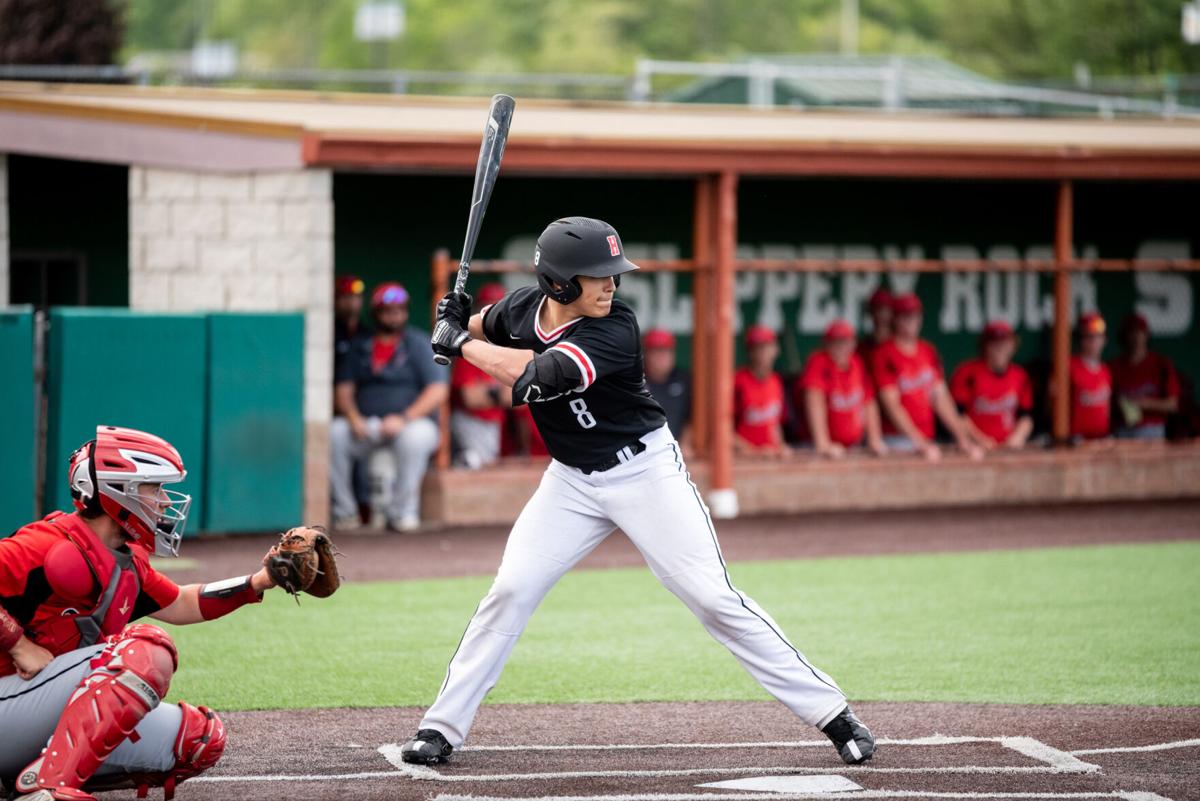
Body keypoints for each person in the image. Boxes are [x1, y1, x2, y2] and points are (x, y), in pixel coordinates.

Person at [408, 216, 875, 768]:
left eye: (614, 274)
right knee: (509, 591)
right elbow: (485, 324)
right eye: (598, 276)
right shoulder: (520, 308)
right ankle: (440, 728)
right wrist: (459, 318)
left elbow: (537, 376)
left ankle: (834, 715)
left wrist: (458, 342)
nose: (613, 284)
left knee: (712, 598)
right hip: (571, 483)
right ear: (557, 283)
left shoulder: (615, 328)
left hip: (645, 473)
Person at [0, 425, 283, 801]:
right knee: (146, 650)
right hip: (8, 700)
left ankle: (37, 777)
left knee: (198, 739)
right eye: (156, 489)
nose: (166, 502)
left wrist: (260, 581)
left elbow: (184, 602)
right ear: (121, 490)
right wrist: (17, 644)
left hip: (31, 714)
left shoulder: (126, 560)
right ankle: (48, 789)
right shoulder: (46, 544)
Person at [331, 282, 448, 531]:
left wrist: (404, 418)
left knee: (417, 437)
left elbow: (437, 390)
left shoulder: (417, 343)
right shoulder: (360, 345)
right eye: (387, 310)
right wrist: (353, 418)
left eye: (399, 309)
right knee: (335, 433)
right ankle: (345, 513)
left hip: (408, 424)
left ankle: (402, 512)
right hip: (367, 425)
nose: (394, 315)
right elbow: (343, 390)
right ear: (376, 313)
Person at [870, 293, 983, 461]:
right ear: (895, 319)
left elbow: (940, 398)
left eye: (915, 315)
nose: (911, 321)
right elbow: (892, 405)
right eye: (905, 316)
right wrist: (919, 442)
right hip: (896, 440)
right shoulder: (884, 353)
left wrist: (962, 438)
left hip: (927, 437)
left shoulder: (928, 351)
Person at [799, 320, 887, 459]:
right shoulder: (818, 362)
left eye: (845, 341)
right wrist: (823, 443)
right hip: (821, 446)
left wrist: (874, 439)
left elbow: (869, 402)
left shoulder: (856, 363)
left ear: (853, 343)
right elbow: (814, 401)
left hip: (854, 445)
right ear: (826, 344)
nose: (841, 347)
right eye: (836, 342)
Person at [450, 283, 510, 468]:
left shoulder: (509, 346)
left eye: (498, 308)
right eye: (489, 308)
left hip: (497, 423)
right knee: (476, 466)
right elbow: (470, 398)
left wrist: (492, 394)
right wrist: (501, 393)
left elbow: (517, 398)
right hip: (471, 422)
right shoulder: (469, 345)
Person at [950, 321, 1034, 450]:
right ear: (984, 346)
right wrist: (980, 440)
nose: (1000, 347)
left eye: (1004, 341)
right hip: (975, 448)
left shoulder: (1020, 375)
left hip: (1009, 447)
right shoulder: (967, 372)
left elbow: (1026, 417)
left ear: (1013, 345)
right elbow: (957, 415)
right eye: (994, 342)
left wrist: (1017, 437)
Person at [1110, 313, 1180, 440]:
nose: (1136, 337)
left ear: (1146, 334)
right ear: (1125, 336)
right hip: (1122, 429)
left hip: (1152, 430)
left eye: (1140, 332)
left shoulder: (1161, 364)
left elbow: (1173, 405)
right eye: (1132, 332)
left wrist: (1144, 403)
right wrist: (1122, 404)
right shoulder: (1113, 367)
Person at [734, 325, 788, 457]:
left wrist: (781, 446)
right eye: (757, 347)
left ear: (776, 349)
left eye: (767, 346)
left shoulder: (776, 381)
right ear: (750, 351)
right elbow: (722, 430)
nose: (763, 352)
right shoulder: (737, 381)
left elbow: (774, 423)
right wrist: (754, 451)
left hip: (770, 457)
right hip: (743, 458)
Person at [641, 328, 692, 447]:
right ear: (646, 354)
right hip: (645, 453)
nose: (661, 357)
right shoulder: (636, 382)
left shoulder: (683, 380)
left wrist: (686, 443)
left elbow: (693, 418)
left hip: (678, 451)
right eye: (656, 351)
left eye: (666, 351)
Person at [1068, 312, 1113, 441]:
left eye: (1098, 336)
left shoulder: (1105, 370)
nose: (1094, 341)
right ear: (1080, 339)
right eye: (1089, 336)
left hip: (1101, 439)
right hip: (1076, 440)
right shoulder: (1069, 366)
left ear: (1104, 340)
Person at [333, 274, 371, 377]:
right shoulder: (329, 333)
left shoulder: (368, 334)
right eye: (345, 296)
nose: (351, 301)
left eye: (356, 296)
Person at [857, 287, 893, 370]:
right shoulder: (863, 348)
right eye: (877, 309)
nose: (881, 314)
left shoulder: (900, 346)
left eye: (886, 309)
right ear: (871, 312)